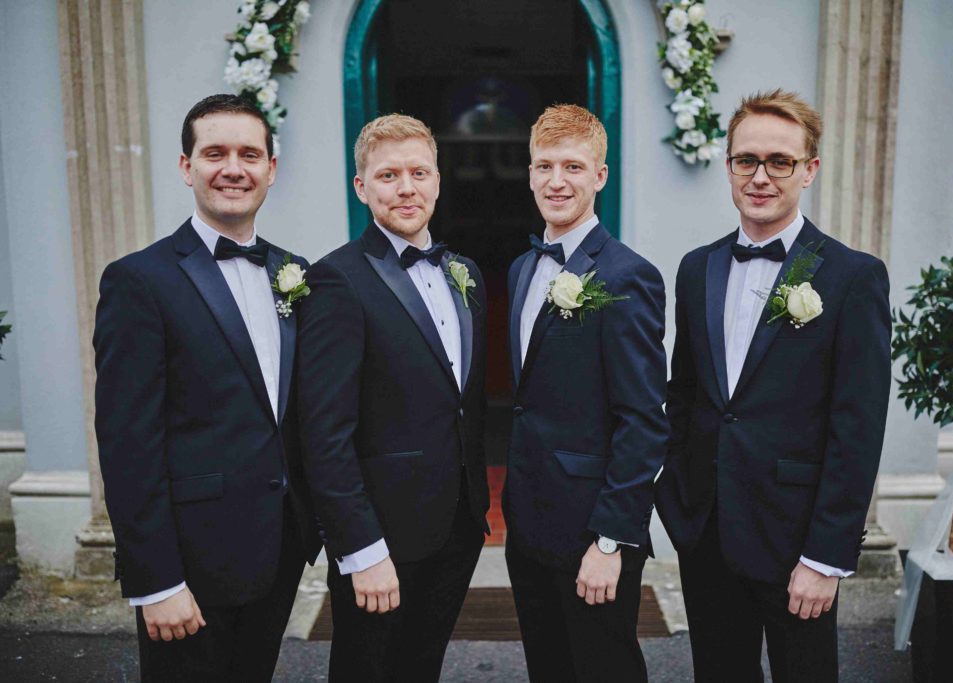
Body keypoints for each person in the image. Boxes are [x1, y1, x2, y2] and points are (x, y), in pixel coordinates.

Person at [654, 89, 892, 682]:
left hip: (795, 539)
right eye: (746, 160)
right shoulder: (696, 267)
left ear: (809, 169)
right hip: (706, 529)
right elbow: (684, 392)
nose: (761, 177)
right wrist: (678, 497)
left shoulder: (852, 277)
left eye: (779, 161)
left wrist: (826, 557)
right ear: (729, 166)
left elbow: (857, 428)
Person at [93, 93, 321, 681]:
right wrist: (155, 581)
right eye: (214, 152)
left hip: (277, 550)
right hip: (190, 565)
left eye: (250, 154)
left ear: (271, 169)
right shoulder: (139, 281)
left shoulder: (293, 273)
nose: (233, 168)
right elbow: (126, 444)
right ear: (185, 166)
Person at [296, 114, 490, 682]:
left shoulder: (466, 273)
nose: (406, 187)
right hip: (381, 536)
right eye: (388, 175)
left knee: (420, 667)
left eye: (418, 172)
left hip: (457, 526)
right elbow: (323, 432)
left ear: (437, 179)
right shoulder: (336, 279)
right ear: (361, 187)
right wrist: (360, 549)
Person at [503, 104, 669, 682]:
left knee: (605, 669)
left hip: (592, 530)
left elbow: (645, 419)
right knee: (548, 669)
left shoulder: (628, 277)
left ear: (600, 176)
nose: (556, 181)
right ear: (528, 174)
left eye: (572, 166)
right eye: (544, 166)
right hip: (527, 523)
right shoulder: (522, 268)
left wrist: (612, 539)